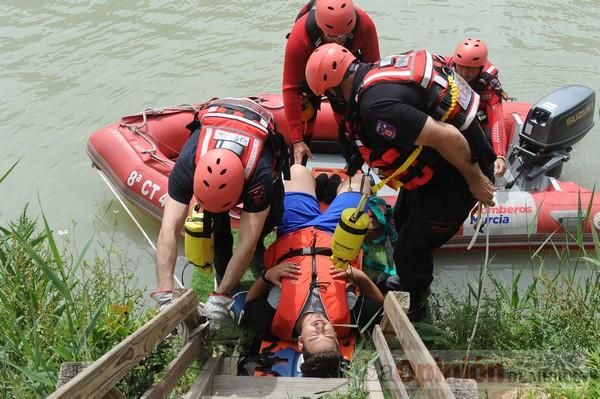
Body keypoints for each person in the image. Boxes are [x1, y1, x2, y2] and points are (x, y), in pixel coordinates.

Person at [304, 43, 497, 321]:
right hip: (436, 166)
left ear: (335, 89)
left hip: (459, 170)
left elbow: (449, 138)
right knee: (403, 220)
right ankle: (407, 281)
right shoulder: (371, 77)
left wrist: (476, 180)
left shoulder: (376, 107)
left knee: (412, 248)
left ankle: (418, 310)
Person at [151, 97, 287, 332]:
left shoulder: (260, 177)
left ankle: (231, 283)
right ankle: (224, 278)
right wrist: (165, 293)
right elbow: (168, 230)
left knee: (271, 220)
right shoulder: (187, 165)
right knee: (216, 230)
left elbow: (247, 242)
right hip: (215, 142)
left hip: (258, 138)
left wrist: (220, 296)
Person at [242, 164, 384, 377]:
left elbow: (250, 303)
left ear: (300, 342)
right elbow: (380, 303)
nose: (321, 327)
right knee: (361, 182)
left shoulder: (274, 320)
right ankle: (334, 189)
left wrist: (267, 276)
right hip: (335, 234)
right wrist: (360, 277)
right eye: (328, 334)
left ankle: (321, 190)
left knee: (296, 170)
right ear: (337, 338)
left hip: (294, 232)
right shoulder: (348, 318)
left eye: (314, 336)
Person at [283, 0, 380, 164]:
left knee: (352, 127)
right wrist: (297, 140)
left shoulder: (365, 25)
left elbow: (373, 74)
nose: (339, 42)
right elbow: (291, 88)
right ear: (321, 28)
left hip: (345, 78)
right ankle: (298, 173)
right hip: (311, 76)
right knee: (304, 124)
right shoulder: (301, 35)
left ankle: (354, 170)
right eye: (333, 37)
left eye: (344, 36)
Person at [451, 38, 509, 177]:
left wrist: (500, 155)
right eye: (461, 66)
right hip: (449, 119)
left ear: (481, 67)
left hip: (476, 122)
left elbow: (497, 119)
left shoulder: (489, 84)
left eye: (470, 69)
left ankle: (487, 177)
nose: (464, 73)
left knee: (486, 145)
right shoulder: (443, 70)